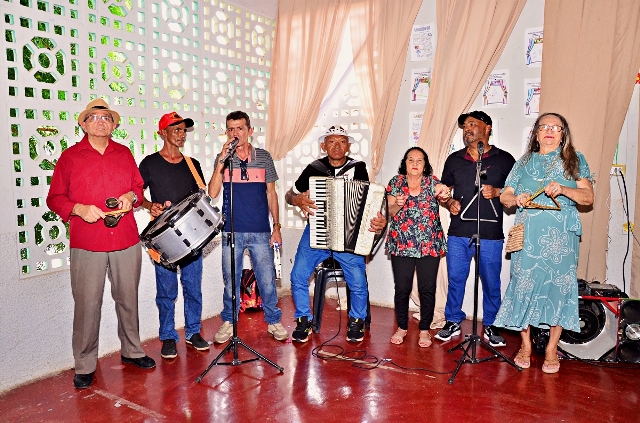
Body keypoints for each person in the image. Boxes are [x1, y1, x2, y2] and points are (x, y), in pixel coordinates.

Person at [47, 98, 155, 389]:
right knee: (87, 304)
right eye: (94, 118)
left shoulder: (124, 153)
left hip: (125, 239)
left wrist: (131, 197)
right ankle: (85, 364)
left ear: (113, 125)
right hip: (87, 243)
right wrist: (79, 209)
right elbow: (54, 198)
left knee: (128, 299)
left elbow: (137, 188)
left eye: (106, 117)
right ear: (83, 125)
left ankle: (132, 350)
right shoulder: (70, 157)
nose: (100, 122)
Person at [494, 112, 594, 374]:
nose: (549, 131)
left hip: (561, 239)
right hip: (528, 236)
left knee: (559, 289)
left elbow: (588, 197)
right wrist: (516, 199)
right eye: (544, 126)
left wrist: (564, 189)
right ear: (536, 133)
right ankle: (525, 345)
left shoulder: (574, 160)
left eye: (556, 127)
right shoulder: (524, 162)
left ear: (563, 135)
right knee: (523, 286)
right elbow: (505, 196)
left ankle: (551, 348)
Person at [285, 126, 387, 343]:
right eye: (332, 141)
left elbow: (367, 201)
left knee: (358, 279)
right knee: (297, 275)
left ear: (348, 146)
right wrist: (297, 200)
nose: (337, 146)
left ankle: (356, 320)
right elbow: (289, 194)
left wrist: (377, 220)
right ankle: (303, 319)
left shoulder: (358, 168)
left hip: (347, 235)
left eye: (342, 141)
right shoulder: (313, 168)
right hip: (316, 230)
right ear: (324, 146)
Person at [435, 111, 515, 347]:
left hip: (490, 234)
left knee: (491, 282)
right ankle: (452, 320)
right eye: (464, 126)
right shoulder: (454, 159)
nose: (467, 129)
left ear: (487, 128)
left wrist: (497, 192)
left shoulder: (504, 159)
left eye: (472, 124)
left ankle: (491, 324)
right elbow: (443, 192)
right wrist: (449, 202)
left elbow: (517, 192)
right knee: (456, 279)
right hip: (458, 233)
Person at [208, 111, 288, 343]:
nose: (235, 133)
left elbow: (271, 194)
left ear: (250, 131)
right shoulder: (223, 158)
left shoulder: (263, 157)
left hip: (260, 230)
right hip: (231, 231)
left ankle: (273, 320)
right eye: (231, 129)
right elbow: (212, 192)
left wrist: (276, 227)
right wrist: (221, 160)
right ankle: (229, 321)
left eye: (240, 128)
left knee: (267, 279)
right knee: (230, 281)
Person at [138, 112, 210, 359]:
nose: (181, 135)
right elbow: (136, 195)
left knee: (193, 288)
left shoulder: (192, 164)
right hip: (163, 239)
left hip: (192, 237)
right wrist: (150, 206)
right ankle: (168, 336)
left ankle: (193, 332)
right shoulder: (149, 163)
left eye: (183, 130)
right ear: (162, 133)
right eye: (176, 130)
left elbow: (201, 197)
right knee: (166, 292)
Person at [386, 147, 449, 348]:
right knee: (402, 288)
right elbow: (390, 211)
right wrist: (397, 203)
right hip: (402, 242)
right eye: (410, 159)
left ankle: (424, 330)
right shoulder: (396, 182)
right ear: (405, 163)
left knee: (427, 289)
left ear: (425, 164)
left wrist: (445, 193)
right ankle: (401, 327)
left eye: (419, 160)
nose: (415, 163)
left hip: (429, 243)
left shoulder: (433, 182)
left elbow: (444, 194)